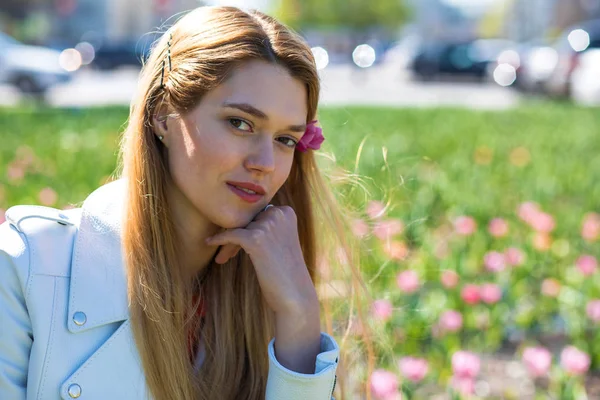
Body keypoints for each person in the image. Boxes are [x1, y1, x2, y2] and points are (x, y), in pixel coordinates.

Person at [0, 6, 374, 400]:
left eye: (285, 140)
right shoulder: (26, 270)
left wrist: (299, 318)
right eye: (240, 123)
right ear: (163, 115)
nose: (264, 163)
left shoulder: (266, 296)